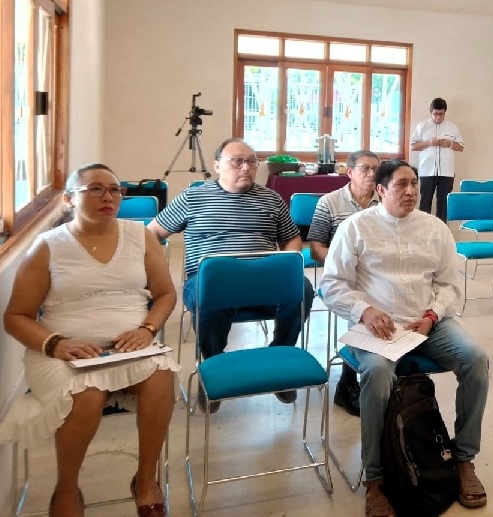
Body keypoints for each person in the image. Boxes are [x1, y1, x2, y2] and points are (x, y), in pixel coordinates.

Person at [1, 164, 177, 517]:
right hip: (62, 352)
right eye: (95, 189)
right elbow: (16, 316)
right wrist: (55, 343)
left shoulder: (140, 236)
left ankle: (145, 479)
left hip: (129, 347)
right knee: (87, 393)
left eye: (114, 189)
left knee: (162, 377)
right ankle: (66, 489)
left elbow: (165, 294)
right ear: (69, 199)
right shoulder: (48, 246)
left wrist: (147, 329)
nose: (108, 196)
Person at [319, 159, 489, 517]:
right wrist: (364, 311)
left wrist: (431, 315)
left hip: (426, 322)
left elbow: (449, 286)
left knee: (475, 359)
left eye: (414, 183)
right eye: (401, 185)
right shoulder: (356, 227)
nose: (411, 191)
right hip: (376, 326)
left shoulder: (434, 228)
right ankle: (376, 479)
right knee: (378, 373)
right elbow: (331, 285)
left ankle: (463, 458)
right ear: (381, 190)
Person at [147, 137, 313, 413]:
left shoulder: (271, 199)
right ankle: (213, 369)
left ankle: (279, 358)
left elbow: (291, 237)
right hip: (211, 283)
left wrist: (288, 262)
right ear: (216, 166)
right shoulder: (193, 198)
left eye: (251, 162)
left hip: (263, 281)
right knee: (211, 291)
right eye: (237, 161)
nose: (245, 167)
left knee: (302, 288)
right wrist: (155, 272)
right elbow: (152, 233)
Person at [306, 149, 380, 417]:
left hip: (377, 273)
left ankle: (385, 368)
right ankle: (348, 380)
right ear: (349, 172)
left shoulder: (384, 200)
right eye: (365, 168)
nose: (371, 174)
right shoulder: (330, 202)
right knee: (360, 301)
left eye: (376, 169)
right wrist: (345, 264)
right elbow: (316, 249)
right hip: (342, 275)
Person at [410, 97, 464, 222]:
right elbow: (413, 146)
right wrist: (429, 142)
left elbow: (461, 147)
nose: (438, 117)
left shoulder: (452, 127)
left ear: (445, 112)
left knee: (444, 204)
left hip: (447, 172)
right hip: (427, 171)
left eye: (441, 114)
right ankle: (424, 229)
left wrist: (449, 144)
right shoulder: (422, 126)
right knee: (425, 203)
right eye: (435, 114)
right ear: (431, 112)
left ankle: (441, 230)